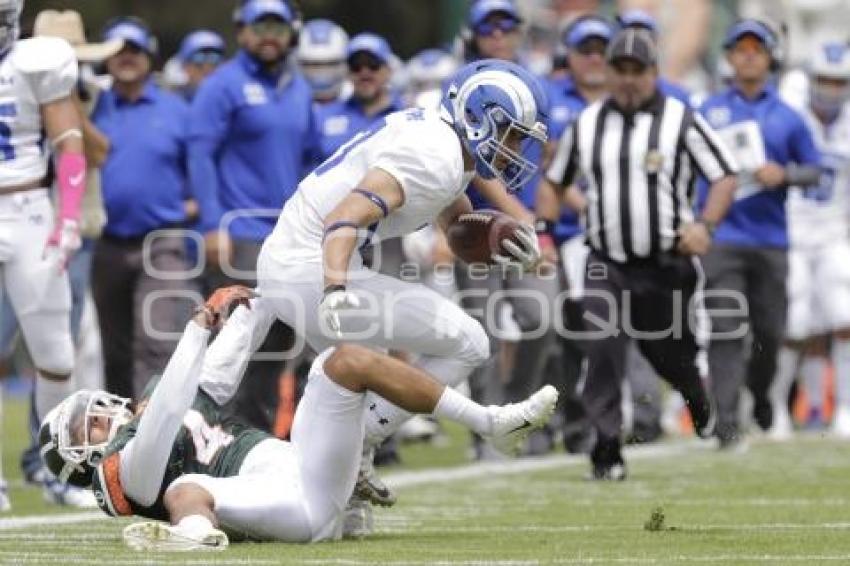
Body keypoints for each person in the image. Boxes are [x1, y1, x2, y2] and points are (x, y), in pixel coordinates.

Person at [201, 58, 546, 513]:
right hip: (311, 264)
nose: (515, 147)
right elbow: (345, 215)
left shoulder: (446, 148)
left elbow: (456, 226)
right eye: (514, 134)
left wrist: (504, 248)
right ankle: (361, 451)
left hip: (299, 260)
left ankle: (339, 478)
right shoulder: (435, 155)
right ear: (481, 119)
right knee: (468, 343)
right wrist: (335, 287)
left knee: (352, 389)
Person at [38, 285, 559, 549]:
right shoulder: (123, 473)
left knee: (340, 362)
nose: (101, 414)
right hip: (294, 510)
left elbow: (225, 359)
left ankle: (493, 424)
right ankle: (193, 541)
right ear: (82, 457)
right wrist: (197, 330)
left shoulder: (163, 398)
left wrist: (259, 296)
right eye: (89, 427)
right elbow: (163, 420)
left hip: (308, 467)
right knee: (189, 486)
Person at [547, 28, 738, 479]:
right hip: (605, 260)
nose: (629, 80)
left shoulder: (681, 118)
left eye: (638, 71)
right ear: (609, 73)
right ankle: (607, 444)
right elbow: (555, 179)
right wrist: (543, 235)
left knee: (668, 354)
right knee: (603, 344)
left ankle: (695, 395)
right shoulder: (588, 122)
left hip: (666, 264)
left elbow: (725, 175)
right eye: (621, 70)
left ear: (654, 73)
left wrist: (704, 225)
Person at [188, 0, 318, 431]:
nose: (268, 36)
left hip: (288, 238)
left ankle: (251, 442)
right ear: (241, 32)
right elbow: (201, 153)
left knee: (277, 347)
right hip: (238, 233)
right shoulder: (222, 85)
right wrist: (210, 224)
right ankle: (211, 442)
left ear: (291, 34)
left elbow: (313, 161)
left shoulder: (298, 88)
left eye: (277, 27)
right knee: (233, 345)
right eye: (259, 26)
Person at [698, 19, 821, 448]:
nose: (748, 55)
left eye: (757, 48)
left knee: (771, 331)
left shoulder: (788, 115)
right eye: (740, 48)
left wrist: (783, 173)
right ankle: (727, 421)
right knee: (726, 328)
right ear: (729, 57)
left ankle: (763, 395)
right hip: (722, 236)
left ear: (770, 58)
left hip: (770, 238)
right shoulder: (707, 111)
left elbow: (815, 171)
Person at [0, 0, 88, 510]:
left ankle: (57, 466)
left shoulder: (36, 62)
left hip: (28, 208)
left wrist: (69, 214)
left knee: (55, 354)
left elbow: (70, 140)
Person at [91, 17, 194, 400]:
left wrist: (195, 203)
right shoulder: (92, 107)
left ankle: (153, 431)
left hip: (163, 241)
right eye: (117, 51)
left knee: (157, 340)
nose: (127, 57)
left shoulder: (176, 110)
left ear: (149, 56)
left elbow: (200, 168)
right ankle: (121, 429)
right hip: (106, 242)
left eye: (134, 49)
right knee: (113, 348)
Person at [535, 14, 612, 454]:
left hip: (606, 237)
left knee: (593, 329)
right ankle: (550, 419)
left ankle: (584, 418)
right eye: (586, 50)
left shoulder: (626, 103)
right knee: (547, 328)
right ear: (572, 55)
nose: (595, 59)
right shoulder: (550, 100)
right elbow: (547, 168)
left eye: (602, 49)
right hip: (556, 231)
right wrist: (584, 206)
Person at [770, 42, 850, 439]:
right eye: (825, 80)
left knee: (844, 317)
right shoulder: (791, 117)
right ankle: (778, 410)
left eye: (840, 82)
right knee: (795, 323)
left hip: (835, 232)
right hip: (794, 232)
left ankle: (843, 409)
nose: (832, 89)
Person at [314, 33, 403, 163]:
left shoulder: (406, 117)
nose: (364, 73)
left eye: (373, 65)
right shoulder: (322, 117)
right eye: (356, 66)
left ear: (388, 71)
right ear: (348, 71)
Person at [297, 19, 349, 104]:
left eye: (330, 64)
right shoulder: (288, 101)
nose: (321, 72)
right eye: (314, 65)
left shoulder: (358, 100)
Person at [176, 30, 226, 102]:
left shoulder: (231, 102)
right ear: (185, 66)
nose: (207, 68)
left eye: (214, 58)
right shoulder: (173, 103)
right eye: (199, 59)